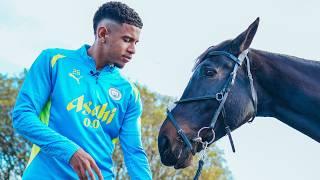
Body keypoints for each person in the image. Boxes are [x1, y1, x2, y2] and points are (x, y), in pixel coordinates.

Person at [12, 1, 152, 179]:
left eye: (136, 43)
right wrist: (70, 151)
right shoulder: (54, 61)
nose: (133, 50)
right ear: (102, 33)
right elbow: (23, 116)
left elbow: (134, 153)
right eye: (127, 40)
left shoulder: (129, 93)